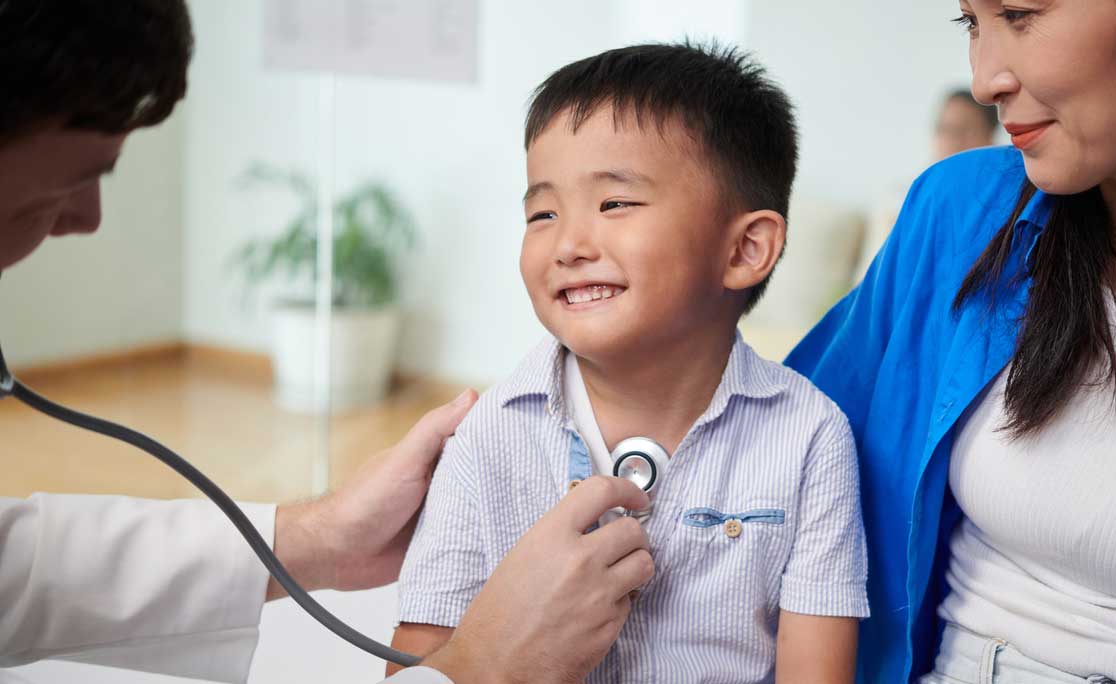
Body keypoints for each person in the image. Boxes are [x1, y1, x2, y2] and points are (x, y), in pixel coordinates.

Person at [0, 2, 653, 682]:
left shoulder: (776, 436)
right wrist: (481, 666)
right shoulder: (505, 431)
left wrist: (322, 538)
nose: (86, 219)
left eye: (618, 204)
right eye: (64, 186)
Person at [788, 1, 1116, 682]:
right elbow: (781, 447)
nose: (984, 80)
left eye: (1020, 13)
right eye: (970, 23)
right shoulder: (958, 213)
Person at [387, 43, 869, 683]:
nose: (569, 244)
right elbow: (419, 672)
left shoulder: (811, 437)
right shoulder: (486, 436)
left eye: (614, 203)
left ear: (746, 249)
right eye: (543, 213)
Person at [854, 88, 998, 282]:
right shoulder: (899, 199)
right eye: (943, 129)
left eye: (962, 131)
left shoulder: (1000, 209)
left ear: (990, 137)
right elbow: (871, 283)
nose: (950, 141)